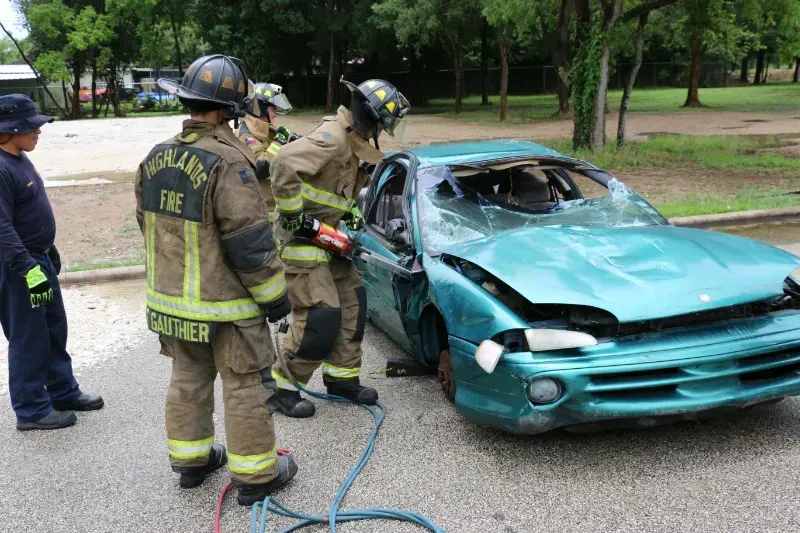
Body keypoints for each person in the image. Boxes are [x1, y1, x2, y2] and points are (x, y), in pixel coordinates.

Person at [135, 54, 296, 505]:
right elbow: (250, 243)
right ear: (231, 110)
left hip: (172, 306)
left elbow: (146, 224)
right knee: (245, 385)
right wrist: (276, 298)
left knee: (187, 378)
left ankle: (191, 462)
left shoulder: (154, 157)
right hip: (227, 307)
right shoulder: (229, 162)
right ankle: (256, 477)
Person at [268, 79, 410, 418]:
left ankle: (341, 378)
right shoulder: (333, 138)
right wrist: (293, 216)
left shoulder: (353, 140)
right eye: (382, 123)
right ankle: (281, 386)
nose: (383, 130)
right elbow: (284, 163)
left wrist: (352, 213)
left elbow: (333, 190)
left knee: (353, 303)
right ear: (368, 116)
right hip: (300, 242)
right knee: (322, 313)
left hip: (328, 239)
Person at [0, 94, 103, 431]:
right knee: (29, 336)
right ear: (9, 128)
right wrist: (29, 269)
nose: (38, 131)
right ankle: (31, 409)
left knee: (52, 328)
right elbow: (1, 227)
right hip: (20, 269)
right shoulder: (0, 167)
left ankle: (61, 391)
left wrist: (47, 248)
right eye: (32, 126)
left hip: (38, 259)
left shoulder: (17, 156)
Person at [235, 82, 295, 215]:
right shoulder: (246, 136)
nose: (275, 114)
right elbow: (261, 166)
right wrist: (279, 141)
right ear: (260, 108)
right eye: (273, 109)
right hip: (262, 211)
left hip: (274, 205)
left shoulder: (264, 130)